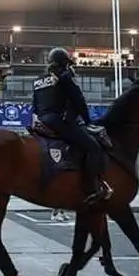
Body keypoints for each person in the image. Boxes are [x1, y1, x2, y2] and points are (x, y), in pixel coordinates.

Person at [31, 47, 112, 204]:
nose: (69, 67)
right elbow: (79, 100)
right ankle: (92, 189)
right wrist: (88, 122)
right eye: (67, 64)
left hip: (42, 122)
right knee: (93, 147)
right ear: (63, 63)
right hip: (58, 121)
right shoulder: (65, 76)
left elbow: (34, 104)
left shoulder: (39, 80)